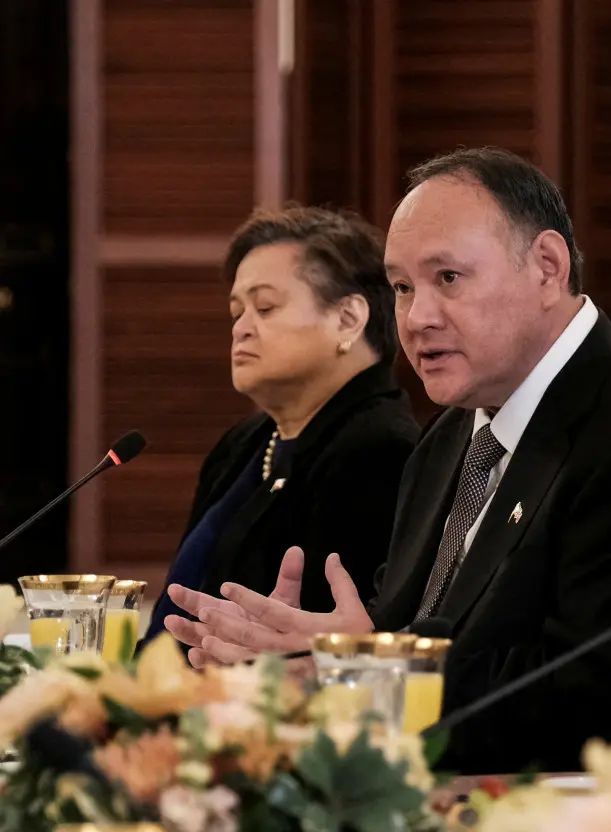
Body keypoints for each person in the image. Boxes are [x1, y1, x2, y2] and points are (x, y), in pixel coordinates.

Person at [163, 148, 611, 774]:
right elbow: (401, 637)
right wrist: (316, 662)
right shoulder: (452, 436)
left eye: (448, 279)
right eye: (403, 288)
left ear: (547, 267)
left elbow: (593, 707)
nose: (416, 319)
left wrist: (365, 673)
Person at [141, 206, 420, 647]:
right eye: (237, 312)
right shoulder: (245, 444)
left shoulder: (381, 452)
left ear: (347, 319)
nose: (241, 329)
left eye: (265, 307)